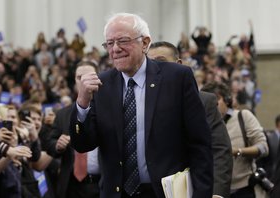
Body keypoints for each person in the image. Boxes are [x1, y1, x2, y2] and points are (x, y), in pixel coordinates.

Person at [70, 12, 213, 198]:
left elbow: (200, 144)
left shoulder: (177, 78)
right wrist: (82, 103)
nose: (115, 49)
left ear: (145, 43)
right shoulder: (101, 85)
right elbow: (83, 144)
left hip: (165, 193)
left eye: (122, 41)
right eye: (110, 43)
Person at [147, 41, 233, 198]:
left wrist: (217, 193)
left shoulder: (204, 101)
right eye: (150, 63)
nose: (155, 68)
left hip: (190, 189)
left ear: (179, 64)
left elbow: (219, 150)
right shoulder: (140, 104)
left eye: (160, 61)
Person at [201, 82, 268, 198]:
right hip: (214, 190)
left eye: (216, 99)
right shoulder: (202, 123)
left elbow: (263, 147)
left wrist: (238, 151)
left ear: (227, 99)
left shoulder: (243, 116)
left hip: (243, 189)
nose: (212, 103)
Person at [45, 61, 101, 198]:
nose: (83, 81)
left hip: (101, 184)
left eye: (88, 76)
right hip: (70, 185)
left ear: (98, 79)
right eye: (79, 77)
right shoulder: (63, 113)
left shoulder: (109, 111)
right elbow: (50, 143)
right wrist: (58, 145)